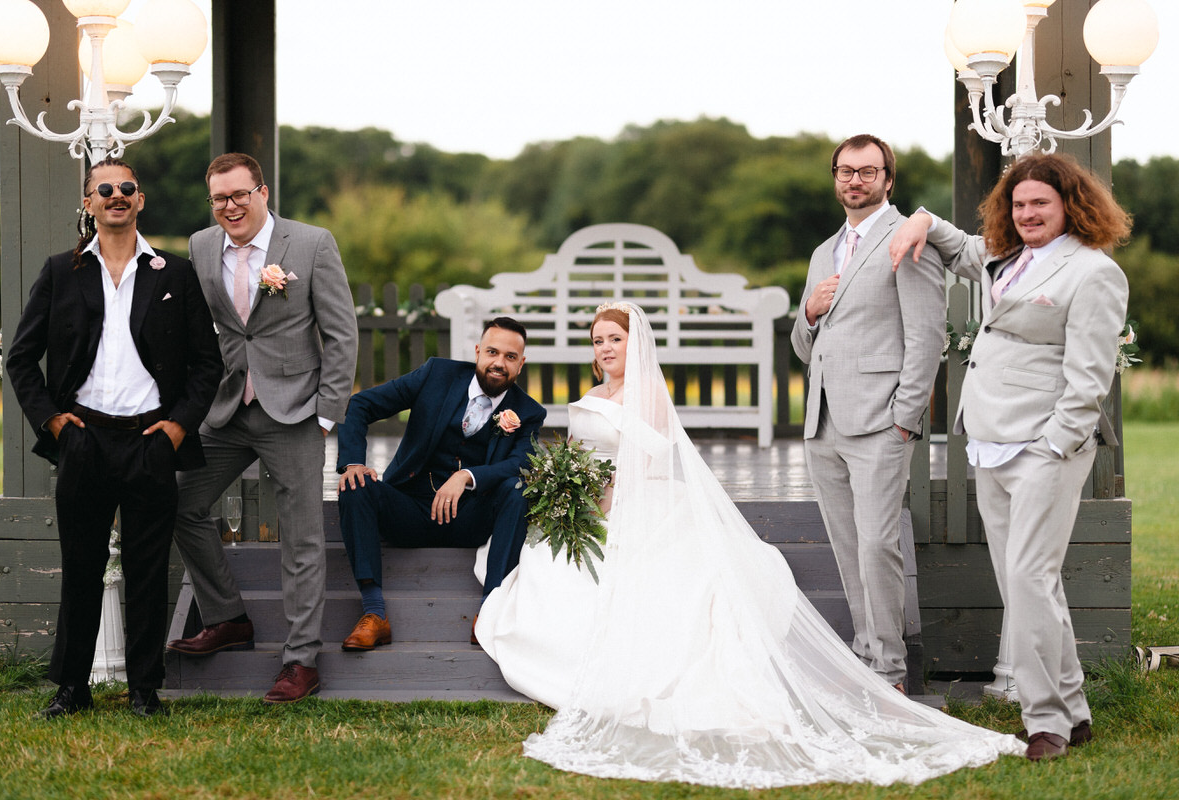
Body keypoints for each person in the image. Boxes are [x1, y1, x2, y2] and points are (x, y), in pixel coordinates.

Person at [475, 302, 1024, 788]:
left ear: (633, 343)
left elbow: (649, 457)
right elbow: (577, 451)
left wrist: (610, 497)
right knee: (547, 561)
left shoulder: (648, 395)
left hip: (635, 500)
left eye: (614, 338)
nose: (605, 348)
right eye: (598, 341)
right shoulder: (593, 394)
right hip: (590, 503)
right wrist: (572, 487)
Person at [888, 153, 1131, 762]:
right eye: (1018, 204)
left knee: (1027, 579)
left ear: (1069, 206)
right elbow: (963, 244)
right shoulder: (1008, 257)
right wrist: (920, 218)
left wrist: (1056, 443)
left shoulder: (1093, 273)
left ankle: (1044, 718)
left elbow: (1090, 374)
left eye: (1039, 204)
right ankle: (1074, 711)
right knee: (1028, 583)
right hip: (990, 439)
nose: (1027, 214)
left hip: (1045, 448)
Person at [6, 158, 222, 718]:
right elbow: (22, 358)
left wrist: (177, 427)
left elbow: (206, 363)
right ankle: (71, 688)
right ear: (89, 203)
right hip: (84, 439)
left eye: (126, 188)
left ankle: (144, 690)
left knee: (149, 571)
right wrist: (51, 421)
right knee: (80, 568)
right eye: (104, 189)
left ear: (141, 200)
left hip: (151, 440)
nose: (116, 195)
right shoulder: (62, 271)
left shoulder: (172, 273)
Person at [166, 153, 359, 704]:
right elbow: (204, 330)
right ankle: (228, 616)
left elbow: (342, 334)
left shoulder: (312, 243)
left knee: (301, 538)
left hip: (296, 411)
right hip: (225, 411)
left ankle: (300, 662)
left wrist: (326, 413)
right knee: (179, 501)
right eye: (219, 198)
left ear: (262, 192)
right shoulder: (202, 247)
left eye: (239, 195)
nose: (230, 207)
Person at [790, 134, 945, 692]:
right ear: (835, 178)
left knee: (878, 541)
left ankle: (890, 667)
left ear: (888, 180)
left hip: (882, 421)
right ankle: (865, 651)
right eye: (845, 171)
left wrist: (905, 417)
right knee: (847, 541)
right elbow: (806, 347)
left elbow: (926, 337)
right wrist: (808, 311)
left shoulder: (906, 240)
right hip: (823, 422)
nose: (855, 180)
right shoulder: (822, 253)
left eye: (867, 171)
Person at [335, 317, 546, 650]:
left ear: (521, 364)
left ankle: (489, 610)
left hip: (470, 520)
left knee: (517, 488)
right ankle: (374, 613)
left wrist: (467, 476)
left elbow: (519, 462)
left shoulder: (528, 412)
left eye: (509, 357)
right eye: (492, 352)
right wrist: (354, 463)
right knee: (355, 484)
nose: (498, 363)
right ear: (478, 351)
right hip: (410, 509)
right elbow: (360, 404)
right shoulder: (437, 374)